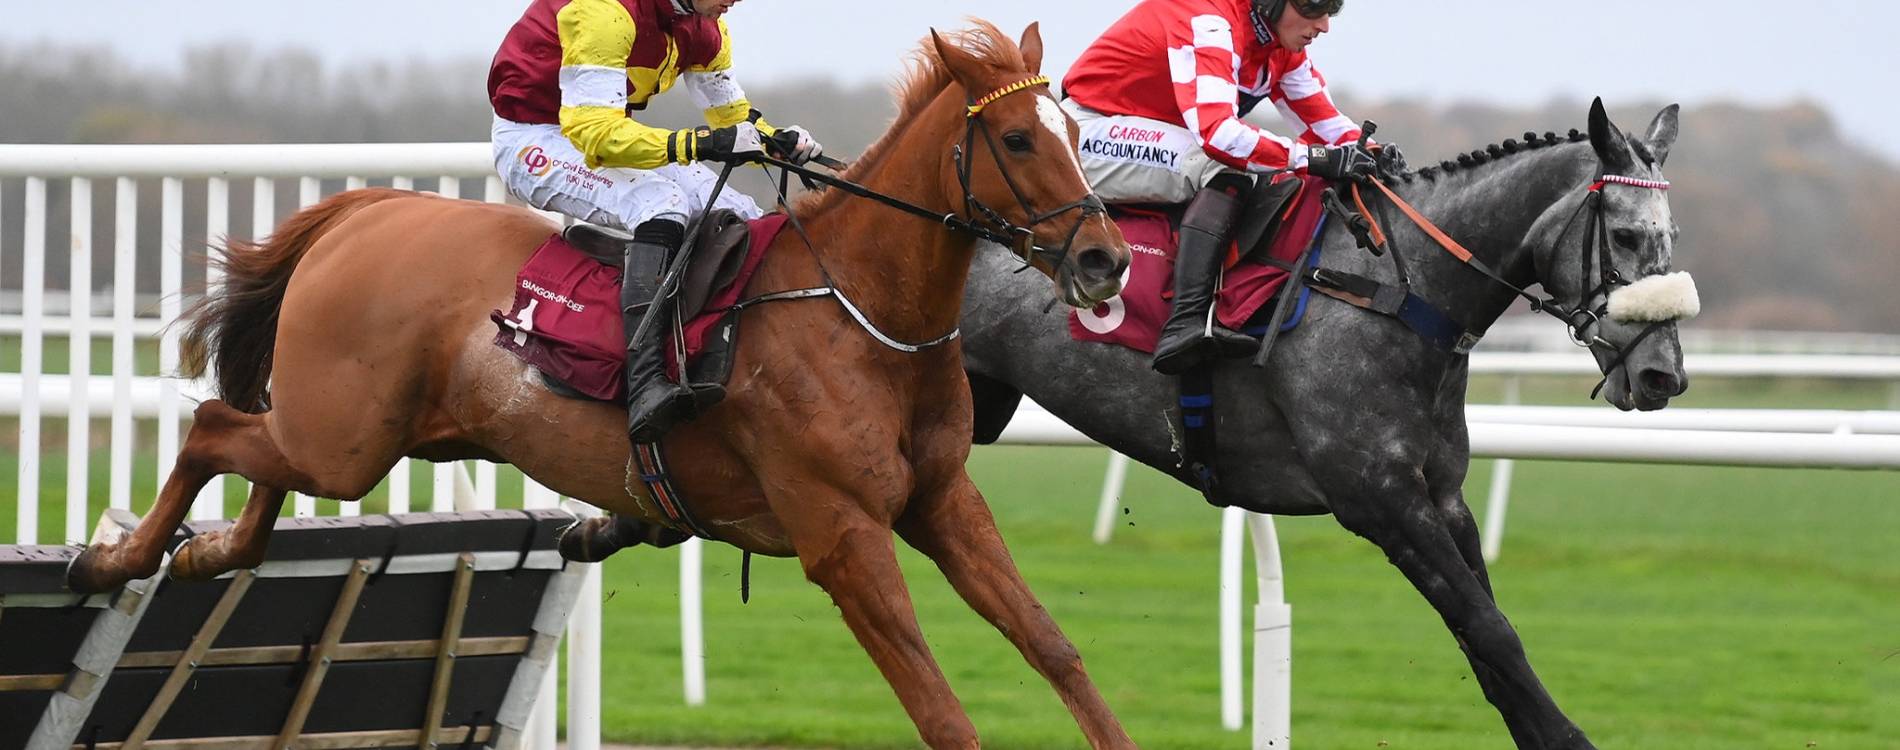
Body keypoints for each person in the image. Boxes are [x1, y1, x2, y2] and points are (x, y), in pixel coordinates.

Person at [488, 0, 824, 444]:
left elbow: (730, 119)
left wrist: (773, 139)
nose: (736, 1)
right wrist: (705, 144)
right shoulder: (606, 11)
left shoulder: (706, 27)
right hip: (534, 137)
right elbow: (597, 135)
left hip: (595, 132)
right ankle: (645, 382)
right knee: (661, 203)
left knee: (743, 213)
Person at [1062, 0, 1397, 374]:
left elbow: (1331, 129)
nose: (1323, 25)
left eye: (1330, 11)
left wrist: (1372, 154)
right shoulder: (1210, 22)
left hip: (1154, 135)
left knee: (1258, 163)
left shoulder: (1279, 46)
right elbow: (1219, 135)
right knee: (1226, 166)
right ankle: (1185, 322)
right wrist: (1316, 159)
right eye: (1312, 8)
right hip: (1085, 134)